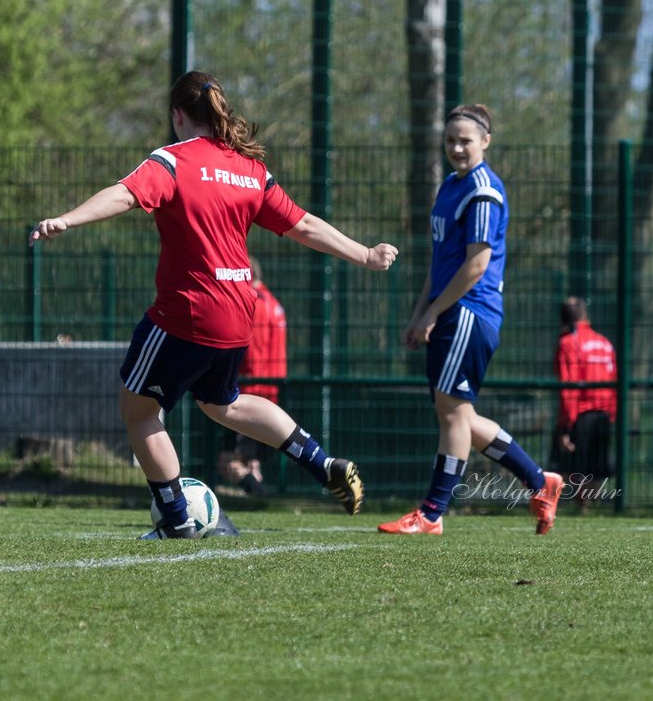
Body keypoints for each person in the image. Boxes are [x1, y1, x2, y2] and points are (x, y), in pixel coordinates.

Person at [30, 70, 399, 539]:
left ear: (177, 115)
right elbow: (302, 224)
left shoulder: (173, 161)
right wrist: (364, 254)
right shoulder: (249, 169)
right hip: (239, 312)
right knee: (221, 404)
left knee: (139, 409)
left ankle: (177, 516)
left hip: (186, 310)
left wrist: (67, 219)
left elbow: (125, 195)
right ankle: (321, 461)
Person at [377, 103, 564, 536]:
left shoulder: (483, 190)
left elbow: (475, 266)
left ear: (486, 142)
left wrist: (435, 313)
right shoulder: (450, 185)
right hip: (449, 311)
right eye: (450, 140)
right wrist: (420, 313)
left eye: (466, 140)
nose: (457, 147)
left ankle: (432, 513)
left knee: (452, 413)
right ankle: (541, 482)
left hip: (469, 311)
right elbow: (441, 262)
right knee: (458, 413)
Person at [218, 256, 285, 495]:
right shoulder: (272, 302)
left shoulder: (254, 304)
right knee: (251, 461)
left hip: (251, 392)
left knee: (229, 462)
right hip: (270, 393)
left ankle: (261, 498)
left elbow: (252, 355)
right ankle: (256, 498)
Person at [554, 296, 617, 505]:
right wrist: (612, 414)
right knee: (595, 469)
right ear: (585, 314)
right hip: (603, 415)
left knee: (566, 467)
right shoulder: (604, 342)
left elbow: (568, 388)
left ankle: (563, 506)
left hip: (578, 415)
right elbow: (613, 381)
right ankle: (588, 507)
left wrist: (566, 427)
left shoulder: (568, 342)